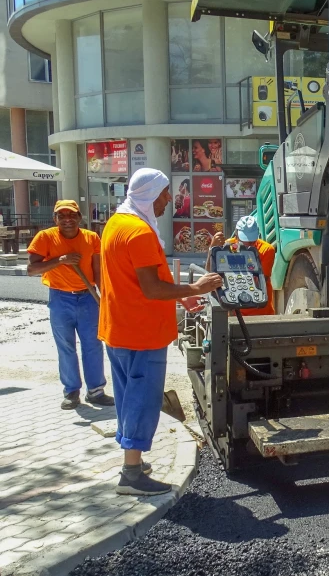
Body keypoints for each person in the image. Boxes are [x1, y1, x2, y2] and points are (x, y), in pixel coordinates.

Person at [99, 168, 222, 496]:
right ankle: (132, 474)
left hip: (119, 328)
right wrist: (195, 286)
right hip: (141, 332)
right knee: (142, 398)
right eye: (166, 194)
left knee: (127, 396)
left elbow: (140, 278)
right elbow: (152, 289)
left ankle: (133, 458)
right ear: (150, 195)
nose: (171, 201)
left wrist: (185, 295)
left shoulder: (116, 223)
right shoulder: (139, 233)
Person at [27, 200, 114, 410]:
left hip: (87, 297)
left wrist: (105, 299)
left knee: (93, 345)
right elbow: (32, 269)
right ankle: (71, 391)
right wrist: (61, 260)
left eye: (72, 215)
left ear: (79, 217)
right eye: (62, 216)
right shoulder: (46, 237)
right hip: (60, 299)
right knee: (65, 346)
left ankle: (95, 391)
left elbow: (97, 271)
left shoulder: (91, 238)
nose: (67, 220)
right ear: (55, 219)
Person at [205, 215, 276, 316]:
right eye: (245, 241)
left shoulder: (266, 250)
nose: (249, 245)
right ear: (237, 235)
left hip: (260, 311)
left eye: (252, 241)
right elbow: (210, 272)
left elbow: (260, 281)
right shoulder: (227, 247)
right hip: (235, 311)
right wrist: (212, 250)